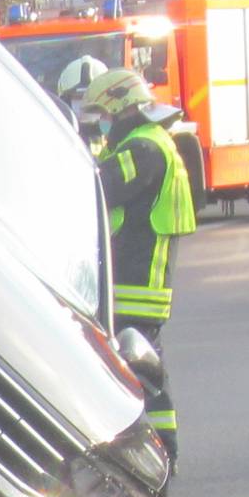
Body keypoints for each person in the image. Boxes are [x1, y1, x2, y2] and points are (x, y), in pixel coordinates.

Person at [82, 67, 194, 457]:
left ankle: (160, 451)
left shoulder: (143, 149)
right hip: (141, 285)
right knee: (141, 369)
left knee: (137, 371)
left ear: (123, 108)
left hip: (133, 286)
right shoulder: (152, 141)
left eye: (106, 116)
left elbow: (99, 188)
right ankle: (156, 450)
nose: (104, 124)